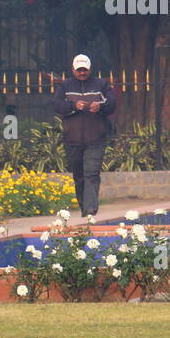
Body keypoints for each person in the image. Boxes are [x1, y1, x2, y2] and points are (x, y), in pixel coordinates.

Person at [53, 53, 117, 218]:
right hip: (72, 140)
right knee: (79, 176)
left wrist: (100, 107)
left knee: (91, 174)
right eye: (79, 70)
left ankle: (90, 210)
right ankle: (84, 208)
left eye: (85, 70)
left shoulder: (101, 84)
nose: (82, 73)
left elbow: (111, 103)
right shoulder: (65, 86)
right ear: (73, 69)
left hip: (95, 139)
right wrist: (73, 106)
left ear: (90, 69)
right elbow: (56, 104)